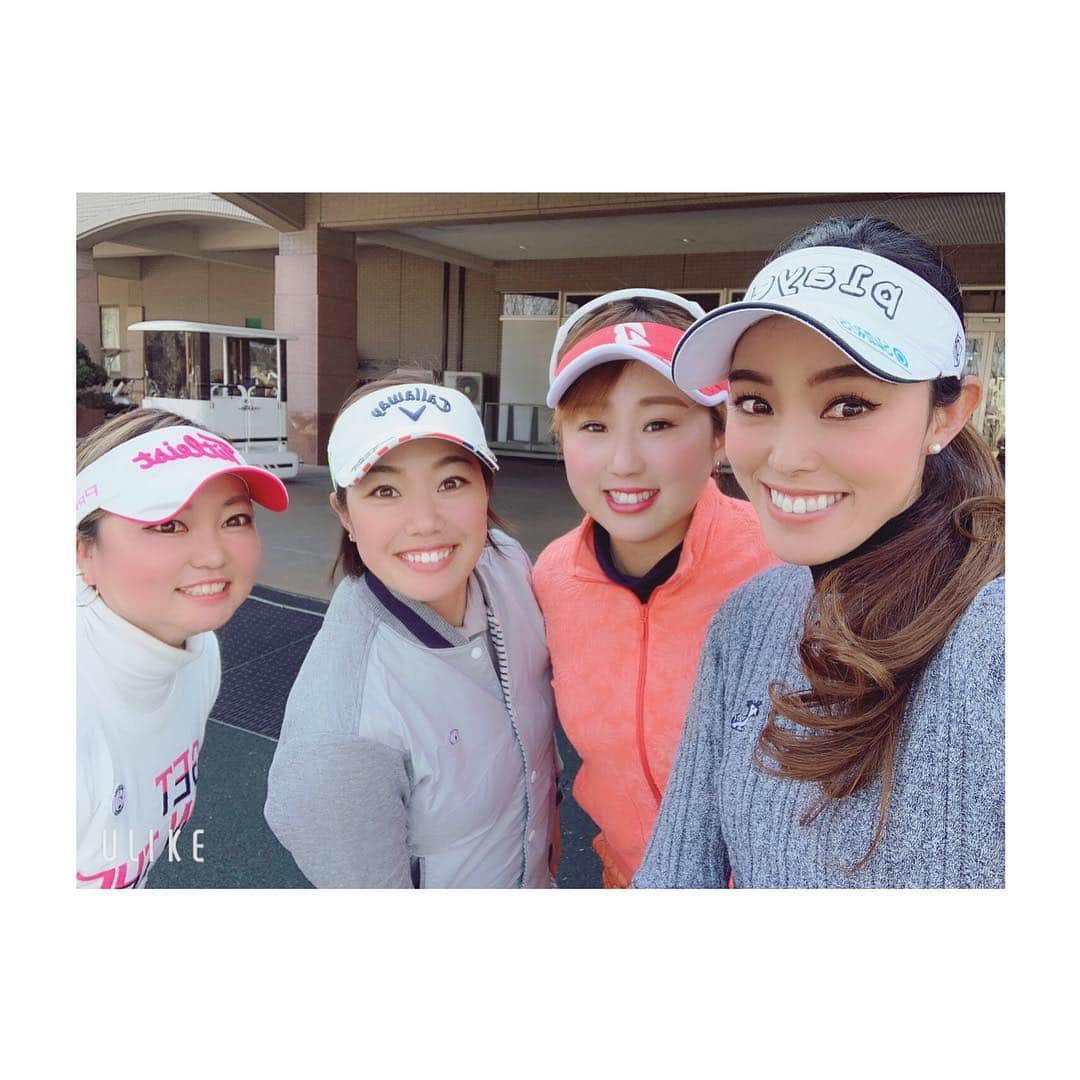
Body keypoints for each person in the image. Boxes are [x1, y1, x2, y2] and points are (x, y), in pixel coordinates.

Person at [635, 217, 1005, 888]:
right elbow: (675, 871)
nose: (786, 457)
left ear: (947, 415)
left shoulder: (998, 640)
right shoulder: (748, 619)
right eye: (755, 402)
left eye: (848, 405)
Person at [264, 378, 559, 888]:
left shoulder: (509, 566)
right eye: (385, 491)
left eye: (451, 482)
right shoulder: (339, 741)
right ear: (344, 514)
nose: (425, 522)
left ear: (486, 487)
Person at [531, 289, 776, 888]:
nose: (623, 462)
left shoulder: (786, 567)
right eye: (593, 425)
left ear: (719, 434)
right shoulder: (551, 578)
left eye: (659, 423)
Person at [76, 408, 289, 888]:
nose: (213, 555)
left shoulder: (199, 651)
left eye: (235, 519)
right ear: (83, 550)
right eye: (168, 524)